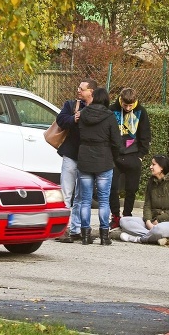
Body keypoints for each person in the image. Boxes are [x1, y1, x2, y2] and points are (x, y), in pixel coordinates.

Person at [55, 79, 98, 243]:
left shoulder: (97, 109)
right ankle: (61, 229)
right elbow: (60, 120)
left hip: (87, 158)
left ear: (91, 91)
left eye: (82, 88)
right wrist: (74, 118)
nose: (78, 90)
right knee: (66, 193)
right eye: (78, 87)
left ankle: (75, 229)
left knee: (82, 196)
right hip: (71, 155)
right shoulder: (71, 105)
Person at [77, 87, 121, 245]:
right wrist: (114, 157)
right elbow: (116, 141)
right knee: (103, 200)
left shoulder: (83, 114)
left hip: (84, 159)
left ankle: (85, 235)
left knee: (85, 200)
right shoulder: (109, 116)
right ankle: (104, 236)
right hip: (104, 159)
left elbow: (79, 135)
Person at [108, 87, 151, 229]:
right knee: (112, 187)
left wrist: (141, 155)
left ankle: (127, 216)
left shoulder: (141, 111)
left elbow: (145, 134)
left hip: (133, 155)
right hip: (115, 156)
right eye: (125, 105)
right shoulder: (112, 110)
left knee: (131, 189)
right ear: (121, 99)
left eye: (130, 106)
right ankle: (115, 216)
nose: (127, 108)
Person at [119, 154, 169, 245]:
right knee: (124, 221)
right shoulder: (151, 182)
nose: (150, 167)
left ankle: (137, 239)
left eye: (153, 164)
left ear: (161, 167)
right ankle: (153, 237)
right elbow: (147, 205)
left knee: (159, 229)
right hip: (152, 221)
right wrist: (148, 221)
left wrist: (158, 220)